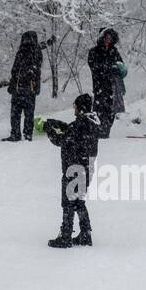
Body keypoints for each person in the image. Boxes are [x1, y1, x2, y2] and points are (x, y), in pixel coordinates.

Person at [43, 93, 100, 248]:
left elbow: (63, 140)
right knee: (78, 202)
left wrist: (50, 130)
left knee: (68, 202)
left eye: (75, 106)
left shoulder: (80, 125)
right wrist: (60, 124)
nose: (73, 109)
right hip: (86, 169)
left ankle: (66, 236)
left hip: (73, 170)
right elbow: (72, 132)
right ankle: (85, 234)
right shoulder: (90, 122)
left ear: (80, 108)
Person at [4, 31, 42, 141]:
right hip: (24, 87)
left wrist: (14, 83)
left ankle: (20, 134)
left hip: (24, 87)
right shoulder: (33, 51)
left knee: (20, 112)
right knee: (24, 112)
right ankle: (23, 134)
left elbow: (16, 70)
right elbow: (16, 70)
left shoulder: (28, 51)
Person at [86, 27, 121, 138]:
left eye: (110, 38)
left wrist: (118, 69)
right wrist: (107, 68)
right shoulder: (94, 51)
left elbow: (121, 65)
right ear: (102, 38)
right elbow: (93, 66)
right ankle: (99, 130)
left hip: (112, 86)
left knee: (111, 110)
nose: (108, 40)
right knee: (99, 108)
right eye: (106, 37)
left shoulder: (114, 51)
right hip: (99, 85)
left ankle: (106, 130)